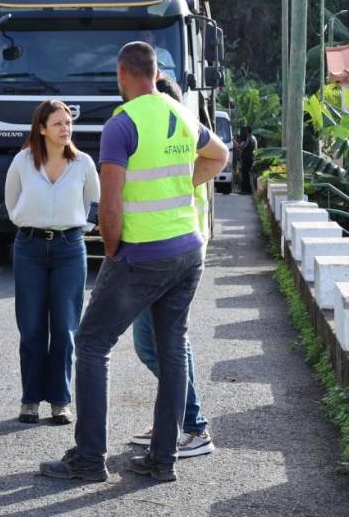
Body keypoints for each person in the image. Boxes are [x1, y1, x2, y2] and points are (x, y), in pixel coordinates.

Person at [39, 42, 227, 483]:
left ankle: (89, 459)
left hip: (143, 252)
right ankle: (163, 460)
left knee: (91, 344)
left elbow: (110, 204)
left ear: (122, 75)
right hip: (188, 249)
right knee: (173, 349)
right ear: (155, 72)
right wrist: (184, 181)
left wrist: (112, 248)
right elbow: (218, 155)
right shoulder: (180, 113)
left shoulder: (121, 124)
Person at [124, 76, 214, 458]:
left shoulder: (178, 155)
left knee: (158, 344)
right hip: (178, 257)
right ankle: (173, 419)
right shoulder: (185, 150)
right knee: (163, 343)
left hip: (170, 259)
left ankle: (191, 426)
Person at [4, 100, 98, 426]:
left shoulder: (83, 163)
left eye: (68, 122)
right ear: (42, 129)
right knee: (30, 329)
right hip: (28, 248)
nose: (65, 129)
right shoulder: (22, 161)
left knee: (64, 329)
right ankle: (30, 399)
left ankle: (60, 400)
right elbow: (11, 200)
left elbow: (93, 203)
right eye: (57, 123)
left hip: (70, 250)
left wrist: (79, 228)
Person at [236, 126, 257, 195]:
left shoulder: (248, 139)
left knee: (245, 174)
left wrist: (236, 144)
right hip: (251, 158)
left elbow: (242, 147)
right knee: (247, 174)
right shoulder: (254, 138)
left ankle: (246, 190)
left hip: (247, 159)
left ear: (247, 132)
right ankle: (247, 190)